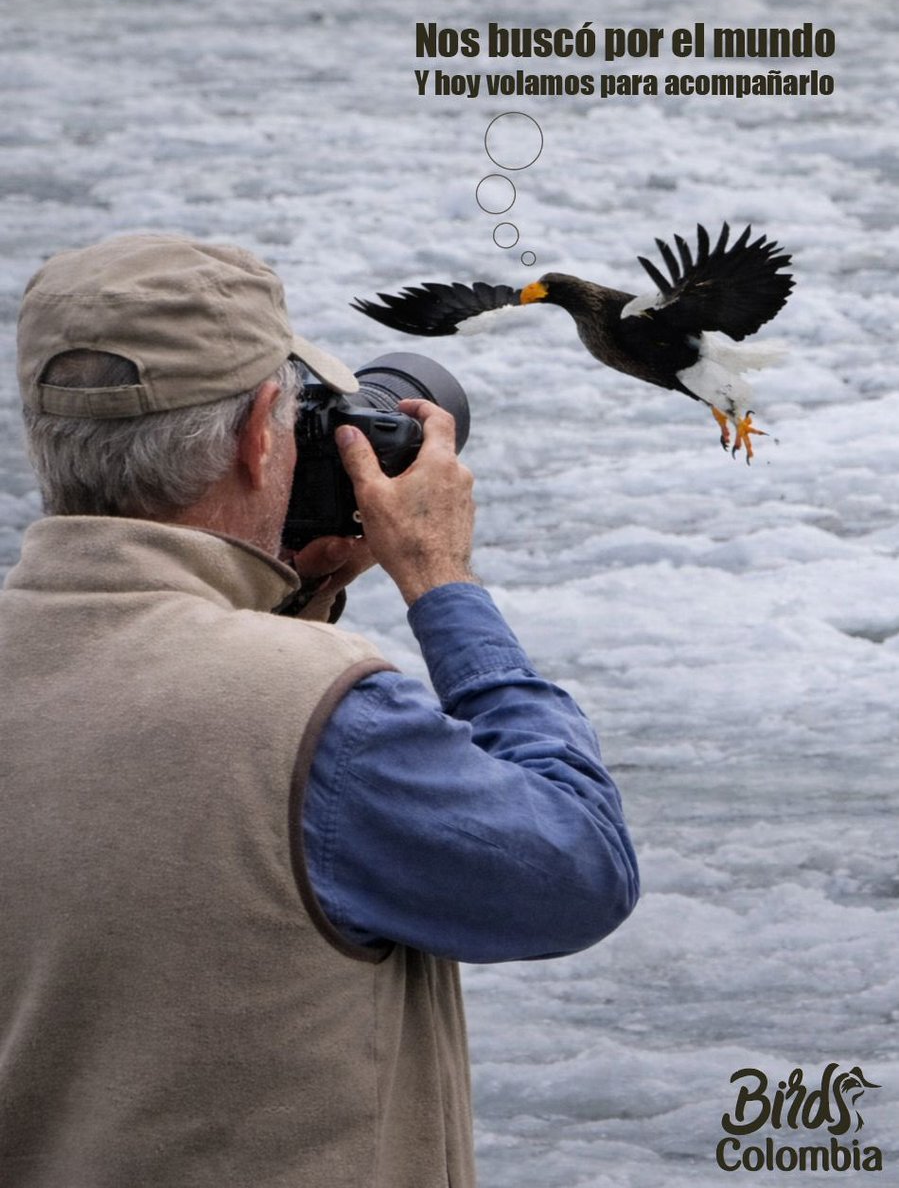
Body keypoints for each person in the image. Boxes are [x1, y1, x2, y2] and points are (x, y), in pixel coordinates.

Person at [0, 234, 639, 1188]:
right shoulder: (322, 716)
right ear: (267, 430)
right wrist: (439, 580)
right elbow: (576, 870)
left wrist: (290, 592)